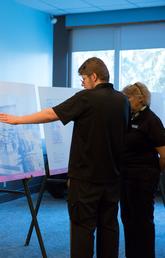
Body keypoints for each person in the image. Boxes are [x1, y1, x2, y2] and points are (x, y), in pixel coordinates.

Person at [0, 57, 130, 258]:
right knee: (109, 227)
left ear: (94, 76)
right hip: (113, 178)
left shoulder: (86, 98)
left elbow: (51, 114)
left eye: (84, 79)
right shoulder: (122, 100)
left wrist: (18, 120)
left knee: (82, 230)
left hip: (85, 180)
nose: (82, 83)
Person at [120, 82, 165, 258]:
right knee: (127, 218)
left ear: (140, 99)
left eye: (127, 98)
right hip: (125, 176)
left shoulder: (151, 120)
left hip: (144, 178)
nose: (124, 101)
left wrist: (153, 173)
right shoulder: (128, 117)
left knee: (143, 221)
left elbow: (164, 154)